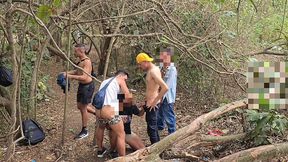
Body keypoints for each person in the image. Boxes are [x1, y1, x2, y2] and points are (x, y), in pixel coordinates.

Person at [61, 43, 95, 140]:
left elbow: (84, 77)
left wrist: (70, 76)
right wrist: (65, 73)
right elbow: (77, 72)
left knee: (83, 108)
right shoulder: (81, 61)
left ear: (81, 51)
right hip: (82, 86)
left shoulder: (87, 62)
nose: (74, 52)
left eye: (75, 51)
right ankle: (97, 114)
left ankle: (85, 130)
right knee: (80, 106)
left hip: (87, 86)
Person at [94, 70, 130, 157]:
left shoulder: (105, 81)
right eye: (125, 79)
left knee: (101, 128)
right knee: (121, 134)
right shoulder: (120, 80)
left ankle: (100, 150)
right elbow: (128, 96)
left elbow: (110, 98)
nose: (125, 81)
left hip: (99, 111)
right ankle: (122, 158)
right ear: (121, 75)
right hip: (109, 111)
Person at [136, 52, 168, 144]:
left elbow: (165, 87)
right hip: (149, 103)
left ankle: (155, 149)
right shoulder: (154, 69)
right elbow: (154, 87)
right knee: (152, 128)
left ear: (145, 61)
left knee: (152, 129)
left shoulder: (153, 71)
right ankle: (156, 147)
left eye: (140, 64)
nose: (140, 66)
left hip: (152, 105)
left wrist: (155, 101)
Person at [157, 49, 177, 135]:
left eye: (165, 56)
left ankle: (172, 133)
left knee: (169, 115)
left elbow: (167, 86)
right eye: (162, 56)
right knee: (159, 113)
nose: (163, 58)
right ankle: (160, 128)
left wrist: (160, 96)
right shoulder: (160, 67)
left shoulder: (172, 70)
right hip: (159, 94)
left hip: (167, 96)